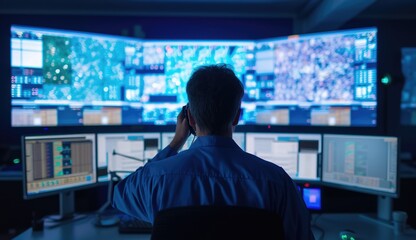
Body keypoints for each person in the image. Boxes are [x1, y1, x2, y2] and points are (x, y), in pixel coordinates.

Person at [112, 63, 315, 239]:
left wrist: (175, 143)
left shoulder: (156, 179)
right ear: (237, 117)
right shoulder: (276, 182)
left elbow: (119, 196)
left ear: (189, 119)